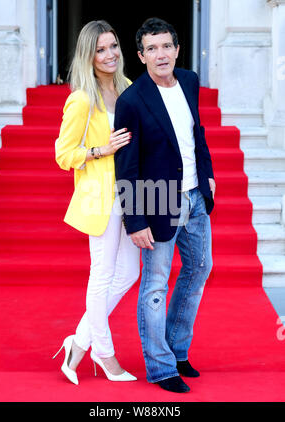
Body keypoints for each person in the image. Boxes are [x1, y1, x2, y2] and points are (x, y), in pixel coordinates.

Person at [114, 17, 215, 393]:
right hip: (156, 196)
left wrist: (206, 176)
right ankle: (159, 366)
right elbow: (126, 166)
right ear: (141, 56)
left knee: (199, 268)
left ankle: (177, 348)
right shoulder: (132, 101)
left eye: (166, 46)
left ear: (176, 49)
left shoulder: (189, 81)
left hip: (193, 195)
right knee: (155, 283)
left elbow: (197, 133)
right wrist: (134, 220)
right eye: (152, 48)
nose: (161, 54)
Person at [53, 20, 139, 384]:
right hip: (100, 197)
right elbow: (63, 154)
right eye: (100, 49)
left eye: (113, 46)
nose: (109, 55)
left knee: (130, 272)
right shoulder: (82, 99)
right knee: (102, 276)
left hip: (133, 193)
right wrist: (100, 150)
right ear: (88, 56)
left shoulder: (130, 89)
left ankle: (79, 341)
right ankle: (104, 354)